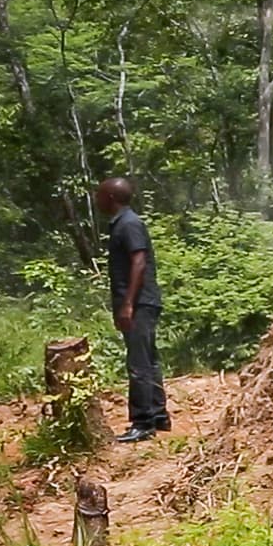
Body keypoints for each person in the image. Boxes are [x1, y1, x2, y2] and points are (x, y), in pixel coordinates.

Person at [94, 177, 169, 441]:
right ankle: (159, 416)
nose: (96, 199)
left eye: (99, 195)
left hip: (139, 303)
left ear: (111, 198)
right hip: (141, 301)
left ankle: (143, 422)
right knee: (148, 361)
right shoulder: (124, 223)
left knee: (138, 364)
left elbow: (139, 262)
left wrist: (127, 303)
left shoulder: (129, 224)